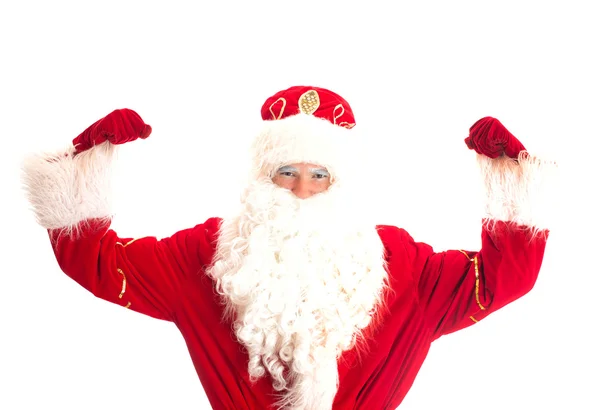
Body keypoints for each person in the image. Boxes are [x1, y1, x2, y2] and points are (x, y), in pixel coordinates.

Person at [22, 85, 556, 410]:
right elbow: (98, 264)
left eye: (320, 173)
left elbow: (501, 279)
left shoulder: (402, 264)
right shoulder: (206, 255)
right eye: (287, 171)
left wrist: (510, 181)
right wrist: (86, 166)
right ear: (262, 176)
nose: (303, 188)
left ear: (341, 181)